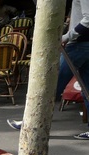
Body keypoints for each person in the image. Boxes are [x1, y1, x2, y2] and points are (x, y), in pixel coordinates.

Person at [8, 0, 89, 140]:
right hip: (83, 44)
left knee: (52, 83)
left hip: (78, 45)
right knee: (87, 89)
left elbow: (88, 19)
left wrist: (67, 36)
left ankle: (31, 123)